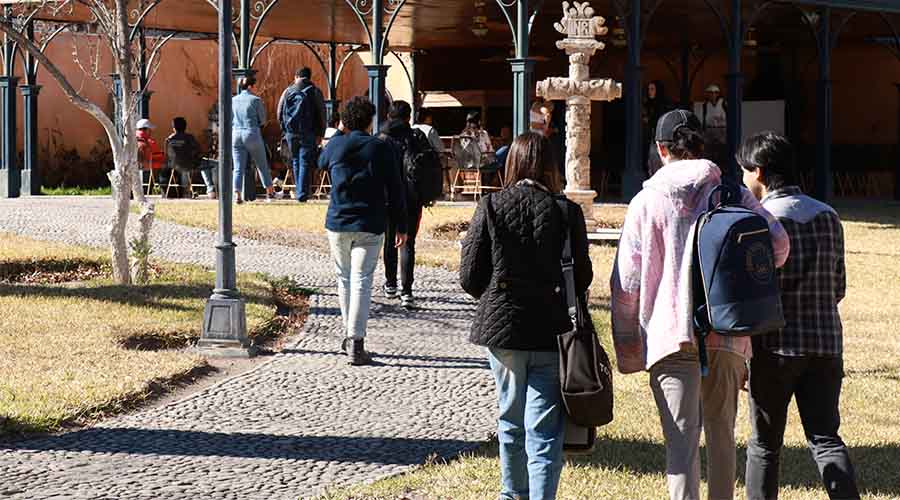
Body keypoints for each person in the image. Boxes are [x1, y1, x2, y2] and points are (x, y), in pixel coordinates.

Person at [611, 110, 790, 500]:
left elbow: (626, 284)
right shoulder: (733, 193)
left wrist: (628, 350)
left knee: (681, 447)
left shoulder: (645, 202)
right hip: (727, 333)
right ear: (701, 147)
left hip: (669, 338)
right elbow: (779, 246)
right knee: (722, 438)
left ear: (661, 150)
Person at [461, 132, 592, 500]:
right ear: (550, 167)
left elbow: (470, 276)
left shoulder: (490, 206)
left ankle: (511, 494)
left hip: (503, 330)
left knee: (510, 420)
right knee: (545, 429)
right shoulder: (567, 212)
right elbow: (582, 277)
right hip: (551, 328)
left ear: (512, 164)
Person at [739, 132, 860, 500]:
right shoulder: (828, 215)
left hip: (775, 348)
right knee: (825, 438)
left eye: (744, 171)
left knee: (764, 445)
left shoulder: (761, 221)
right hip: (825, 345)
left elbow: (754, 294)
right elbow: (838, 285)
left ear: (758, 172)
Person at [318, 96, 408, 366]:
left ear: (345, 120)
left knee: (344, 278)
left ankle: (349, 337)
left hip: (338, 221)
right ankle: (356, 341)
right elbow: (396, 188)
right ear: (370, 121)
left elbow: (320, 162)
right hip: (371, 222)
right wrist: (401, 225)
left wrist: (338, 132)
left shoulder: (336, 145)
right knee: (362, 280)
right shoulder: (380, 148)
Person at [379, 101, 426, 309]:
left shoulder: (381, 139)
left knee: (389, 239)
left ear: (389, 116)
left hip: (388, 197)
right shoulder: (417, 137)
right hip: (412, 197)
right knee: (408, 243)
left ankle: (390, 284)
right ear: (409, 117)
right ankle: (407, 292)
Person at [278, 67, 327, 202]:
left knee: (295, 160)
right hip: (309, 132)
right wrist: (321, 133)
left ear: (296, 76)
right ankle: (302, 193)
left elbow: (279, 111)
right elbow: (322, 114)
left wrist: (285, 129)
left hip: (291, 132)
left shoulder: (288, 91)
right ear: (309, 77)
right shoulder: (315, 91)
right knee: (305, 161)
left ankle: (300, 191)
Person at [232, 75, 276, 204]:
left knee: (238, 166)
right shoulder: (255, 100)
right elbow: (262, 120)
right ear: (250, 86)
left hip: (236, 133)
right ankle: (270, 192)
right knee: (261, 164)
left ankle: (237, 195)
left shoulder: (233, 100)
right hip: (251, 133)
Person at [165, 117, 216, 199]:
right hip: (191, 165)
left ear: (173, 128)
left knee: (188, 165)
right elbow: (198, 151)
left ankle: (186, 191)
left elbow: (167, 155)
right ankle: (211, 190)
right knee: (214, 165)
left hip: (174, 166)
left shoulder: (169, 140)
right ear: (185, 127)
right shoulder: (189, 138)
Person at [694, 84, 727, 164]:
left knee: (722, 150)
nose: (713, 95)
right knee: (709, 150)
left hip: (722, 130)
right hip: (709, 130)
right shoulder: (705, 105)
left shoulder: (723, 104)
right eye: (711, 93)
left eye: (715, 92)